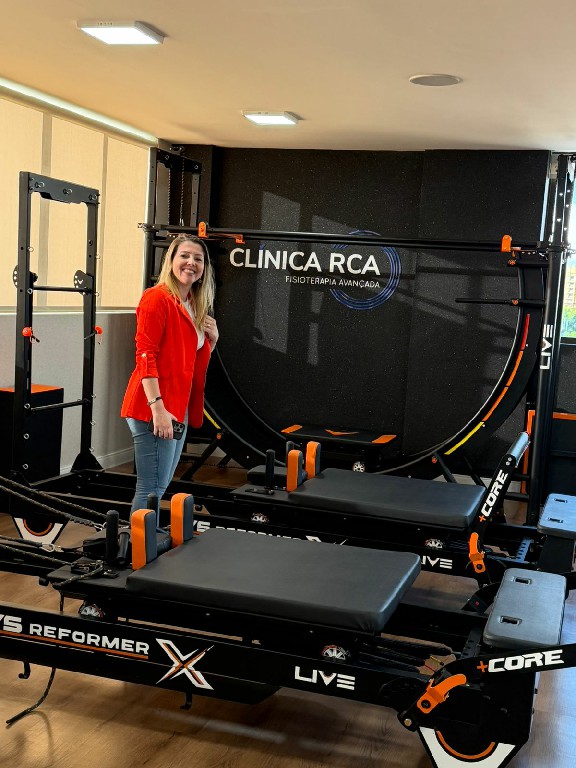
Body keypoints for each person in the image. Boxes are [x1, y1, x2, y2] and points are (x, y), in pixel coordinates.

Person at [121, 234, 219, 518]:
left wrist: (212, 342)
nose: (191, 263)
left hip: (178, 407)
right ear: (171, 261)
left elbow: (187, 361)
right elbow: (145, 356)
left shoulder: (193, 304)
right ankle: (140, 541)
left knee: (160, 485)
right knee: (150, 487)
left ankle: (147, 536)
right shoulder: (157, 298)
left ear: (204, 268)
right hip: (154, 407)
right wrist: (158, 409)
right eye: (184, 256)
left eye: (198, 259)